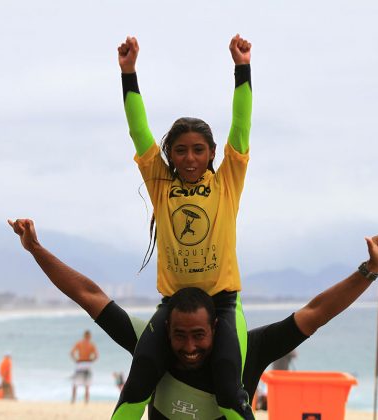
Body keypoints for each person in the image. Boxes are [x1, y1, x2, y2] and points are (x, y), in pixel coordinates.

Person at [8, 218, 378, 418]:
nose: (189, 347)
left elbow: (315, 314)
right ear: (167, 329)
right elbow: (88, 295)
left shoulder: (248, 350)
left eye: (198, 335)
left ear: (216, 327)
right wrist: (35, 249)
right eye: (180, 335)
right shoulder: (152, 343)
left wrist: (367, 271)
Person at [116, 33, 253, 419]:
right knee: (137, 384)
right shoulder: (161, 185)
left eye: (198, 149)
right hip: (174, 306)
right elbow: (139, 132)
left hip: (222, 304)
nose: (190, 158)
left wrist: (242, 68)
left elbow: (241, 127)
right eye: (181, 150)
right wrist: (129, 73)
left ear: (212, 153)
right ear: (170, 156)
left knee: (229, 391)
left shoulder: (226, 182)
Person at [70, 330, 98, 404]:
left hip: (80, 363)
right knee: (87, 384)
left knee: (75, 383)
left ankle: (73, 400)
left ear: (84, 336)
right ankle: (86, 401)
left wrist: (76, 360)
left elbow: (72, 353)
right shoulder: (91, 345)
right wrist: (91, 360)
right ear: (89, 336)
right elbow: (96, 356)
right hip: (88, 363)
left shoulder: (79, 343)